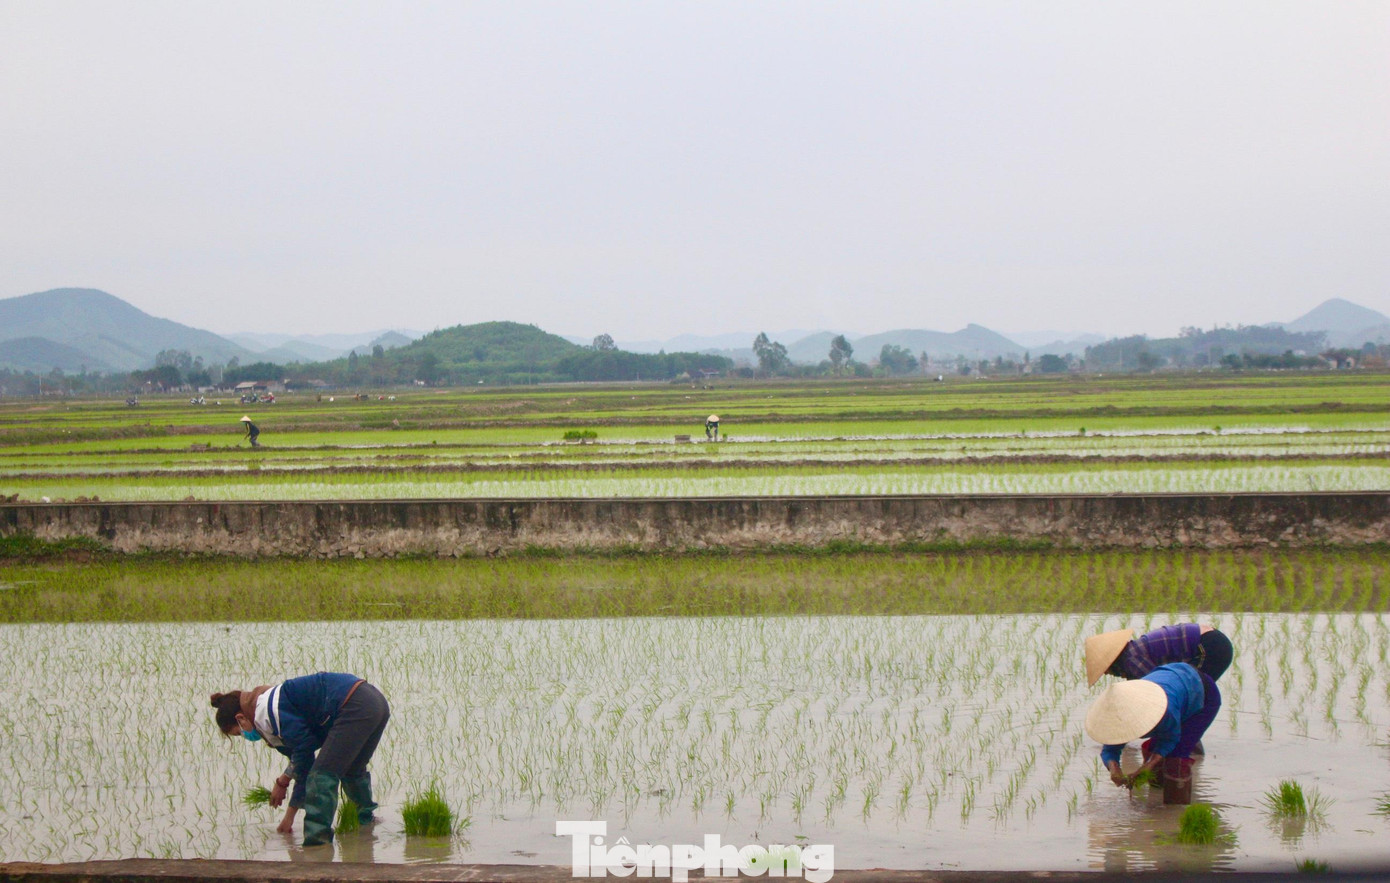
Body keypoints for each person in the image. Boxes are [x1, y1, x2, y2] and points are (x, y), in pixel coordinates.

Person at [211, 672, 390, 846]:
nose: (245, 736)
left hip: (354, 706)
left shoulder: (269, 713)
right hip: (374, 702)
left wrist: (289, 817)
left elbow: (305, 759)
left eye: (238, 732)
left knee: (321, 776)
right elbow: (299, 754)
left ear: (240, 718)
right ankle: (366, 828)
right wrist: (283, 781)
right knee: (352, 770)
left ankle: (316, 846)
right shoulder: (269, 703)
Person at [1085, 661, 1220, 804]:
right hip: (1172, 679)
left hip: (1202, 692)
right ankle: (1155, 803)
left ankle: (1175, 813)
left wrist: (1149, 765)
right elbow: (1110, 747)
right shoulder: (1119, 712)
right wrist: (1114, 769)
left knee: (1176, 757)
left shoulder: (1164, 710)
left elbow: (1170, 739)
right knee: (1153, 753)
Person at [1084, 623, 1233, 687]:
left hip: (1210, 647)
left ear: (1112, 661)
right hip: (1214, 640)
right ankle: (1187, 745)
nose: (1109, 674)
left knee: (1189, 695)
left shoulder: (1131, 659)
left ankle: (1186, 747)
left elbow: (1155, 688)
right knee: (1190, 696)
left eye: (1106, 670)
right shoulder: (1133, 650)